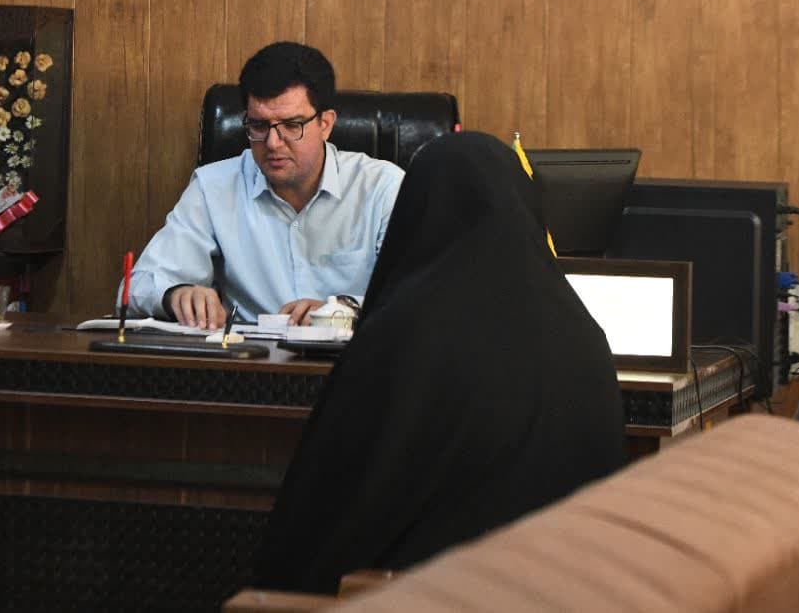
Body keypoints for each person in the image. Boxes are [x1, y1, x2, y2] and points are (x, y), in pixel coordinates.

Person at [253, 131, 625, 595]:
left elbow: (333, 513)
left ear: (416, 213)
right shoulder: (584, 334)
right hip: (571, 592)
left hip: (432, 595)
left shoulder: (404, 337)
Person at [126, 42, 405, 329]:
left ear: (325, 124)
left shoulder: (382, 188)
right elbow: (138, 286)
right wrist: (175, 295)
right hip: (249, 355)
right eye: (259, 126)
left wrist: (343, 310)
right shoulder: (214, 188)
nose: (272, 143)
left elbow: (417, 293)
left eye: (292, 125)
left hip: (354, 354)